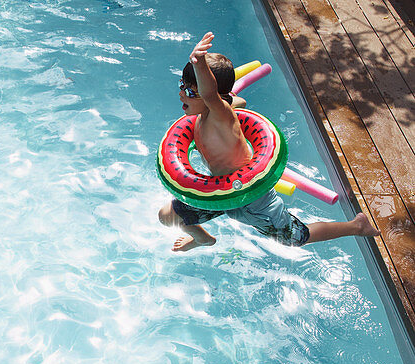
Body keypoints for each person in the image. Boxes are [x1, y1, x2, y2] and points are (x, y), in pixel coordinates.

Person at [158, 32, 380, 252]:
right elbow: (233, 99)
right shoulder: (211, 113)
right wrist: (224, 97)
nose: (181, 94)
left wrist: (199, 63)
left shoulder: (220, 114)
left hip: (250, 195)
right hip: (219, 192)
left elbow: (210, 94)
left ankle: (356, 226)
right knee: (167, 216)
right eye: (182, 85)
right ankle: (203, 239)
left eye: (189, 91)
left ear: (211, 96)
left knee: (295, 238)